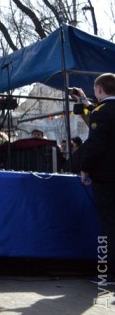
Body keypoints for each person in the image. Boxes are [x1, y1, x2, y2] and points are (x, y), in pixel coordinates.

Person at [71, 73, 115, 285]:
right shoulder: (102, 110)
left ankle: (109, 273)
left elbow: (96, 143)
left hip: (107, 176)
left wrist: (85, 169)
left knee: (109, 224)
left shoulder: (102, 112)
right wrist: (84, 101)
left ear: (98, 90)